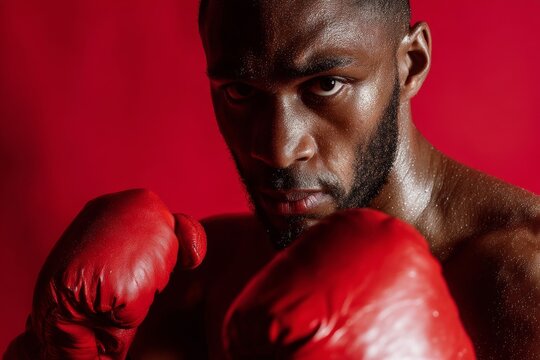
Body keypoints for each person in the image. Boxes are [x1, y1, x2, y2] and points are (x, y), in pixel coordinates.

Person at [5, 0, 539, 359]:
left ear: (412, 63)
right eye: (240, 93)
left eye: (325, 84)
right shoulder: (199, 281)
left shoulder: (523, 283)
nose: (278, 149)